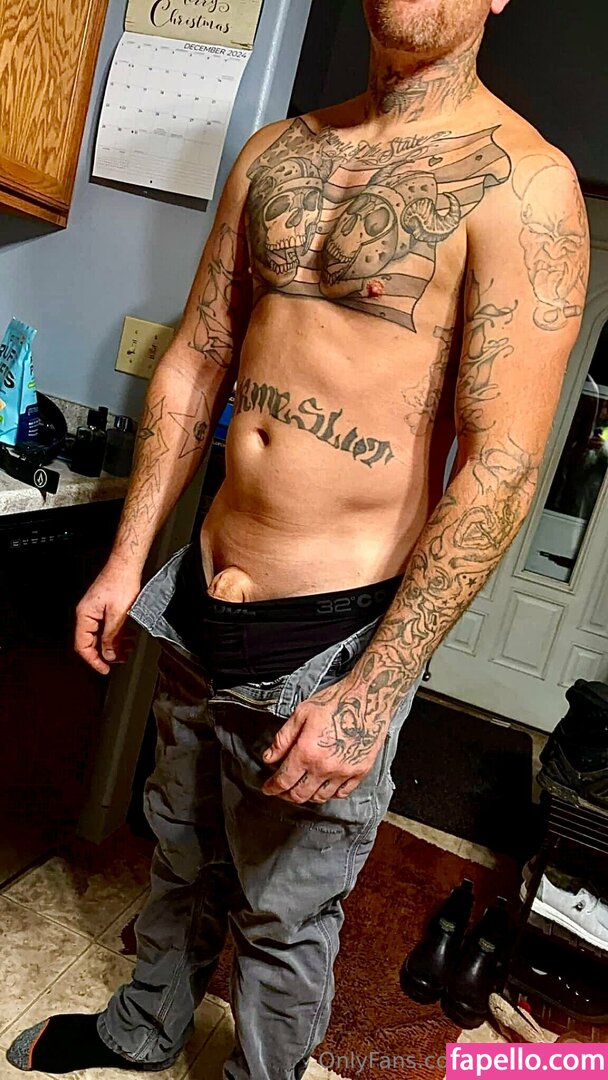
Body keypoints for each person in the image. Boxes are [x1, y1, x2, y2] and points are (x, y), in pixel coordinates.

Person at [8, 1, 589, 1077]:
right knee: (177, 847)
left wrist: (373, 689)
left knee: (285, 918)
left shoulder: (524, 186)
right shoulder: (276, 152)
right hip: (196, 595)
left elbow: (500, 465)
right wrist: (129, 560)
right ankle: (145, 1027)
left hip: (329, 635)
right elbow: (195, 359)